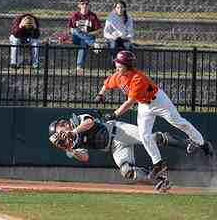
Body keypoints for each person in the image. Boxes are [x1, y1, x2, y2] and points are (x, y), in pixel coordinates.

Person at [94, 50, 215, 181]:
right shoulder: (119, 76)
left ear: (127, 65)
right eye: (117, 62)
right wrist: (100, 95)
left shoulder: (137, 78)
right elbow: (106, 84)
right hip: (144, 105)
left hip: (158, 101)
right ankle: (158, 164)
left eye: (119, 63)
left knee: (179, 122)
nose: (116, 65)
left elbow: (129, 103)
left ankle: (202, 143)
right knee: (144, 135)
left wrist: (113, 115)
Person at [48, 112, 194, 192]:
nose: (64, 126)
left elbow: (90, 122)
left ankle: (185, 144)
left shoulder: (77, 119)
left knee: (153, 138)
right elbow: (85, 157)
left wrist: (73, 132)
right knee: (127, 171)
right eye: (60, 128)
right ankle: (161, 180)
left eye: (62, 125)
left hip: (118, 131)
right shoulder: (73, 144)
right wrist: (69, 149)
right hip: (114, 148)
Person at [68, 0, 102, 76]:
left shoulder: (93, 16)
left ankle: (79, 67)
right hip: (76, 38)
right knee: (76, 30)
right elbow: (71, 29)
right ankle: (93, 44)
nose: (84, 5)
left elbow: (99, 30)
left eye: (86, 4)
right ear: (79, 5)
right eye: (82, 3)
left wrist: (88, 34)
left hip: (87, 39)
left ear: (89, 6)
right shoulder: (75, 15)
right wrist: (84, 35)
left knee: (83, 42)